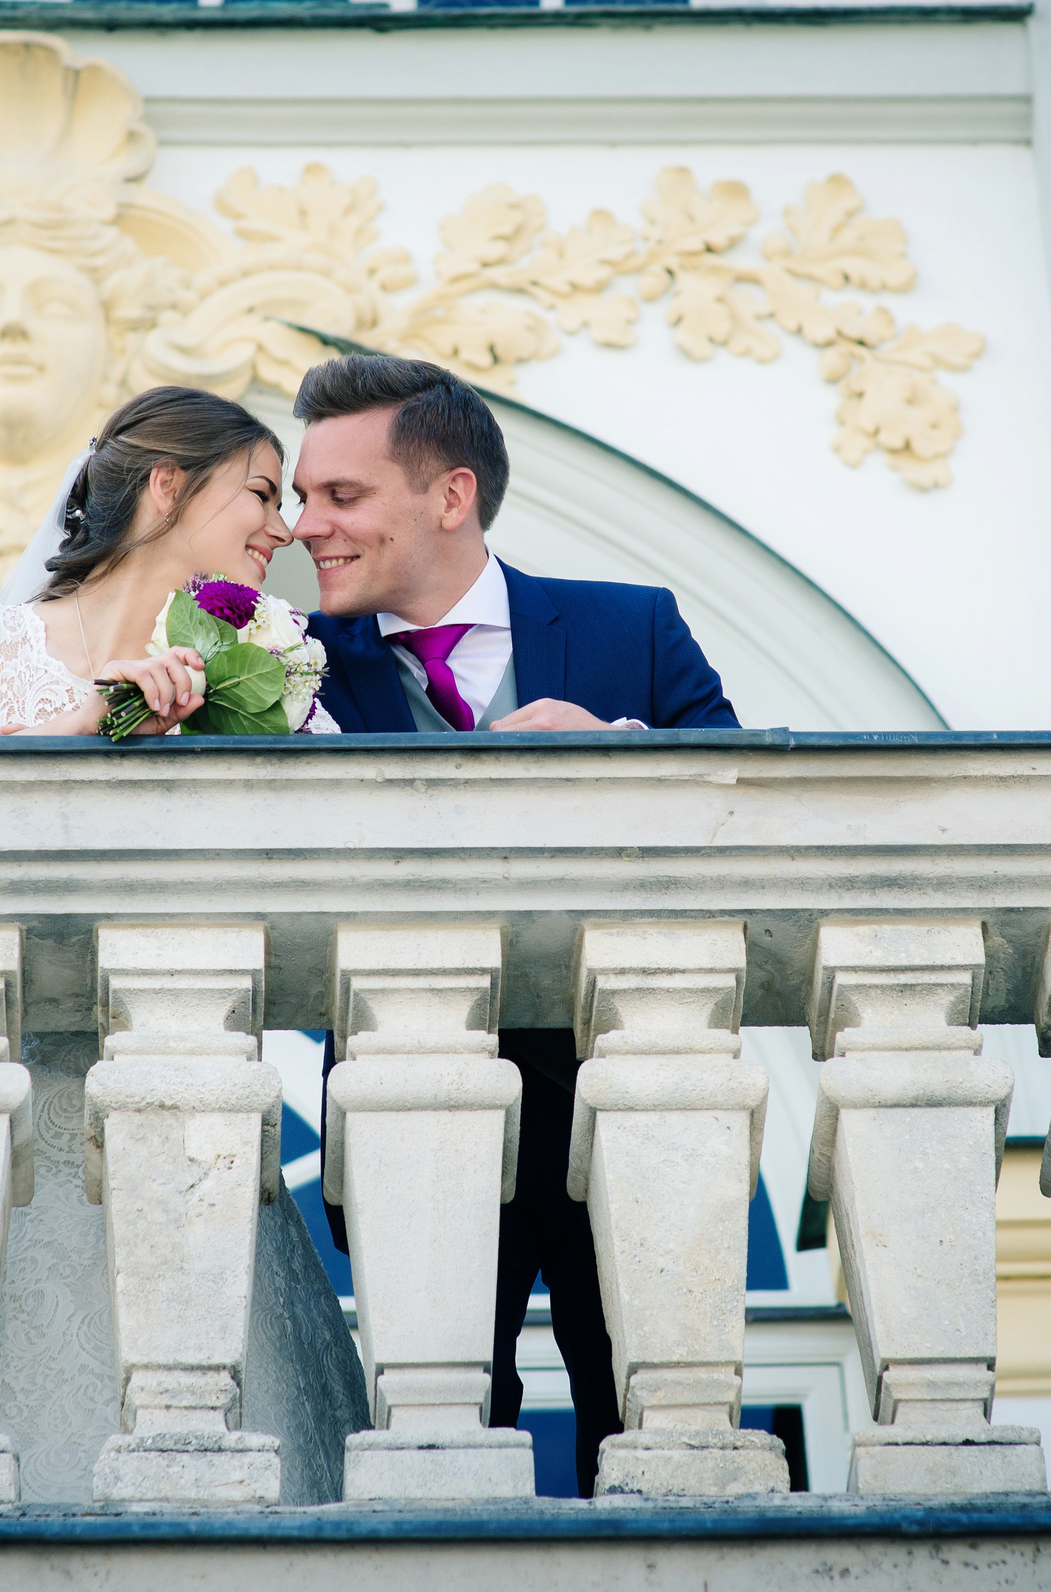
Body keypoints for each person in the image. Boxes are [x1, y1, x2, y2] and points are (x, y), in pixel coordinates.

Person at [291, 352, 740, 1499]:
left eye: (339, 496)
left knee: (645, 1420)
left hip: (624, 1094)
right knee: (437, 1429)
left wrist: (617, 742)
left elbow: (742, 812)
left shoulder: (630, 630)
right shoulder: (282, 661)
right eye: (299, 497)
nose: (306, 526)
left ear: (451, 495)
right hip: (403, 1098)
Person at [0, 385, 339, 737]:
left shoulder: (259, 671)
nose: (284, 533)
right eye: (261, 495)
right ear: (168, 486)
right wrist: (84, 726)